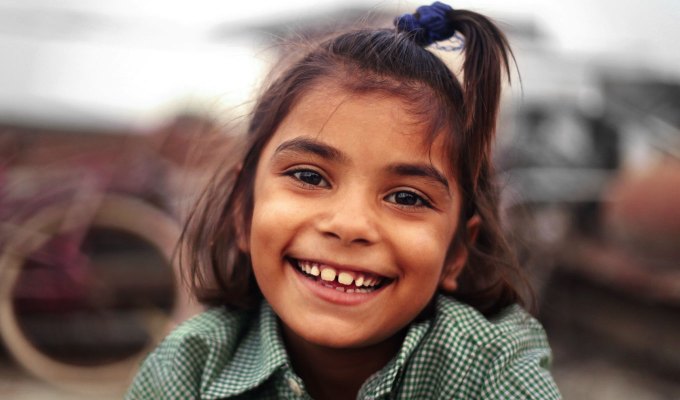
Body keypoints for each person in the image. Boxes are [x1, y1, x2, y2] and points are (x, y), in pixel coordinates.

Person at [126, 2, 561, 399]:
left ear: (456, 253)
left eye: (407, 197)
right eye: (309, 176)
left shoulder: (490, 368)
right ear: (244, 210)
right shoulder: (190, 367)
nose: (350, 224)